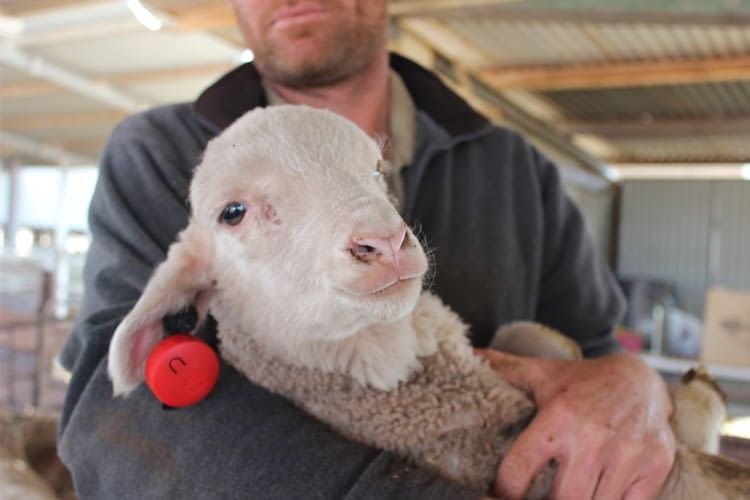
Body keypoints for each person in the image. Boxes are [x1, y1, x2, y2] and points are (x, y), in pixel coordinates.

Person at [58, 1, 675, 498]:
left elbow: (593, 351)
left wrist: (634, 382)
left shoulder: (513, 167)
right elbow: (116, 408)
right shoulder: (161, 155)